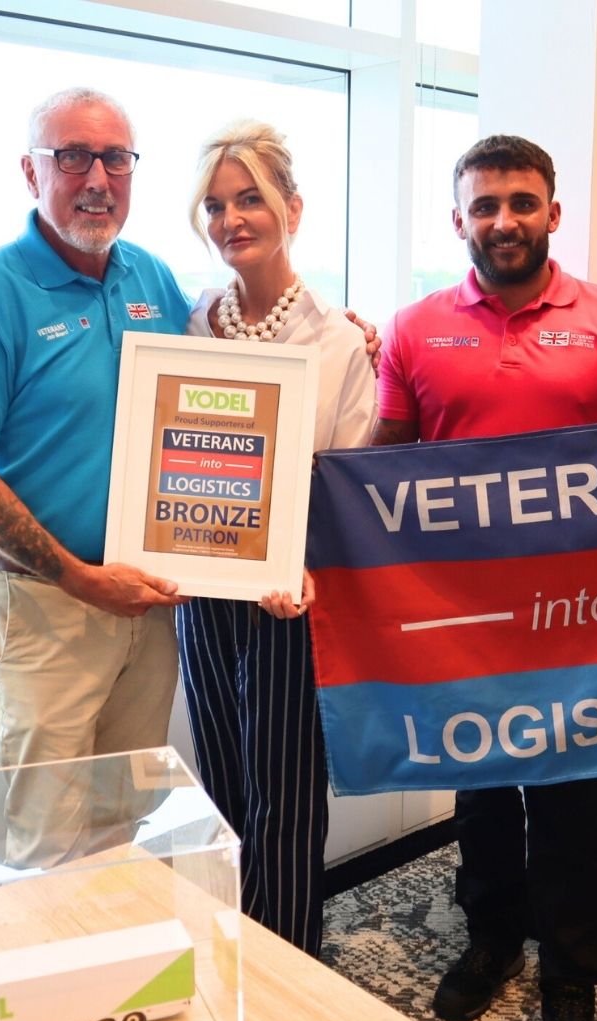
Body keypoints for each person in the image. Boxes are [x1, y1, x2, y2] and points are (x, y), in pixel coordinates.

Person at [372, 135, 597, 1021]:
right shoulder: (414, 328)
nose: (503, 220)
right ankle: (492, 935)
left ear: (553, 212)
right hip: (464, 612)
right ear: (457, 219)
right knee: (482, 782)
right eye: (484, 205)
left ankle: (573, 975)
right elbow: (387, 462)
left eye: (521, 201)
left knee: (574, 793)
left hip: (582, 612)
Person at [0, 88, 192, 867]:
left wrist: (344, 329)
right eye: (73, 156)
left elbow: (225, 376)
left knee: (121, 824)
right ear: (31, 171)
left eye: (116, 157)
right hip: (43, 609)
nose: (98, 177)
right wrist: (79, 577)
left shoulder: (151, 279)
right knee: (49, 841)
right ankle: (60, 991)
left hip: (144, 605)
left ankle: (124, 988)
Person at [175, 120, 376, 958]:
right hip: (203, 594)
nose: (231, 220)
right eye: (216, 205)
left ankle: (289, 974)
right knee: (220, 795)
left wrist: (297, 563)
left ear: (292, 206)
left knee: (285, 806)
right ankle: (232, 962)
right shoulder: (190, 327)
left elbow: (347, 478)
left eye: (250, 197)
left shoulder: (340, 341)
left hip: (291, 601)